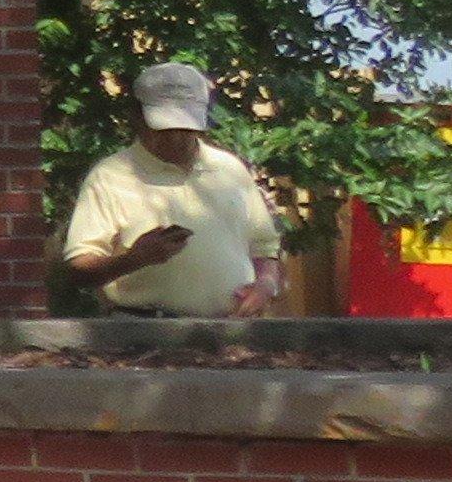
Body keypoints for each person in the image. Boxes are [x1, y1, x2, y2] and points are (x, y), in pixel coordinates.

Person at [59, 60, 287, 313]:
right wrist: (134, 259)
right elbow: (78, 270)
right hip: (144, 335)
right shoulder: (110, 176)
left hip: (232, 333)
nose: (176, 138)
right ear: (137, 118)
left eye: (185, 127)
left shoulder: (229, 169)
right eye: (164, 128)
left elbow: (264, 248)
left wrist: (266, 284)